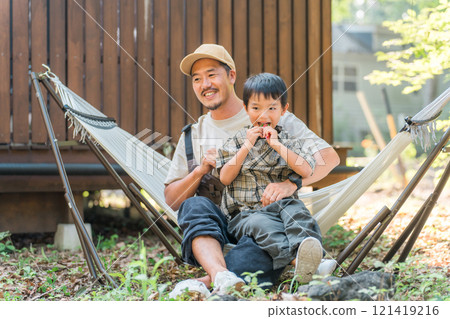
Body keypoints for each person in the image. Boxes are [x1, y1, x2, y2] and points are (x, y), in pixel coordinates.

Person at [164, 44, 340, 298]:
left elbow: (328, 157)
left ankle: (206, 280)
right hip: (226, 220)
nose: (205, 84)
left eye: (212, 74)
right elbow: (172, 200)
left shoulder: (272, 115)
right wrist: (200, 171)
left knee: (264, 244)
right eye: (197, 79)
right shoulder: (194, 134)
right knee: (194, 206)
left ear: (231, 76)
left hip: (269, 221)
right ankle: (219, 274)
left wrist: (292, 183)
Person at [216, 72, 323, 284]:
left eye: (271, 108)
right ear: (245, 109)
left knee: (299, 214)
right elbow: (225, 178)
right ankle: (298, 263)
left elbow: (306, 170)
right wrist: (247, 146)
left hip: (283, 207)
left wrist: (277, 145)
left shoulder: (288, 141)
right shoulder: (236, 141)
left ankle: (311, 256)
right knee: (262, 223)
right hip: (246, 215)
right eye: (256, 108)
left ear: (284, 109)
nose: (263, 115)